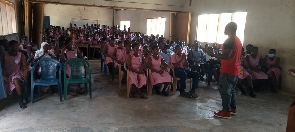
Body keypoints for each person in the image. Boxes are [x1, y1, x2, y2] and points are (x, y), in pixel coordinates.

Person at [207, 22, 242, 119]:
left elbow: (227, 56)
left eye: (226, 28)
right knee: (232, 90)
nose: (224, 30)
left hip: (228, 69)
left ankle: (226, 111)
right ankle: (232, 108)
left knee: (225, 90)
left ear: (230, 29)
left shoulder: (229, 40)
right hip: (235, 69)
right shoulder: (238, 40)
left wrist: (213, 55)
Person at [1, 40, 29, 109]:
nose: (17, 47)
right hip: (6, 72)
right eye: (15, 45)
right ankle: (2, 100)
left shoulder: (20, 54)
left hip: (16, 72)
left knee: (15, 80)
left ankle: (20, 100)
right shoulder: (4, 54)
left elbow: (24, 65)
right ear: (10, 47)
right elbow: (2, 65)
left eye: (18, 45)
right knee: (2, 82)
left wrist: (25, 71)